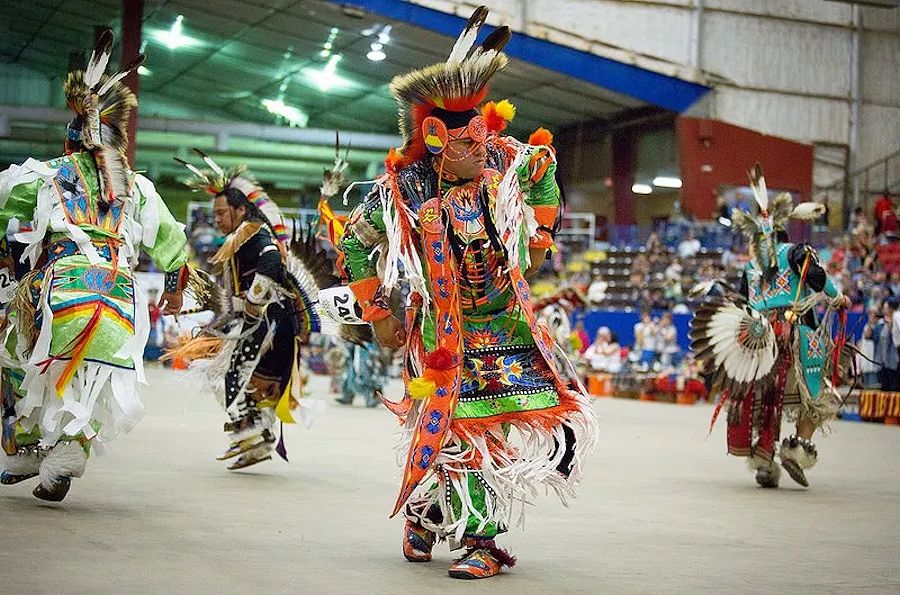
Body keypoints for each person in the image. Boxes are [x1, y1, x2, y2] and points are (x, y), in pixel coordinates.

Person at [336, 7, 597, 580]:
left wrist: (545, 229)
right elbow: (353, 245)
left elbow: (544, 168)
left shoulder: (505, 162)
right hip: (444, 337)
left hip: (508, 328)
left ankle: (474, 537)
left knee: (492, 434)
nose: (477, 149)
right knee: (454, 435)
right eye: (463, 141)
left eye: (482, 135)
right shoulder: (403, 187)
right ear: (435, 142)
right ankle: (445, 522)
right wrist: (378, 309)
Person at [0, 32, 194, 501]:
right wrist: (173, 284)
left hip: (61, 295)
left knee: (14, 353)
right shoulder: (138, 187)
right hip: (120, 302)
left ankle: (30, 447)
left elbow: (3, 206)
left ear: (72, 142)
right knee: (93, 381)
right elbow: (172, 240)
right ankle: (65, 453)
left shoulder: (48, 176)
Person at [171, 153, 367, 470]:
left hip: (267, 325)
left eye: (222, 213)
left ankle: (254, 438)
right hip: (264, 325)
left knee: (232, 376)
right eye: (214, 213)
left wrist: (254, 300)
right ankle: (256, 438)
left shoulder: (255, 234)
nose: (217, 219)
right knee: (242, 382)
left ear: (239, 210)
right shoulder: (240, 238)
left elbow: (272, 263)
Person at [692, 165, 850, 489]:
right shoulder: (795, 252)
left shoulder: (750, 267)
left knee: (765, 396)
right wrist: (839, 298)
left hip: (759, 342)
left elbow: (743, 303)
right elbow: (818, 278)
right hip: (798, 335)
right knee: (814, 396)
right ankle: (798, 448)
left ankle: (764, 461)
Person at [875, 298, 900, 391]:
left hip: (894, 359)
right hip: (883, 360)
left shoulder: (896, 318)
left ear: (891, 308)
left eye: (886, 307)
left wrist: (890, 324)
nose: (884, 310)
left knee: (893, 387)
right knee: (884, 386)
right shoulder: (882, 322)